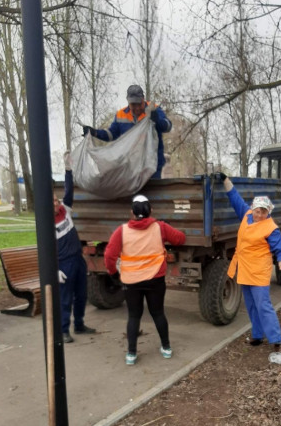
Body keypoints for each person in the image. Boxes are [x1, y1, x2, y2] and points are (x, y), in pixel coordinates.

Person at [104, 194, 186, 365]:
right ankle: (166, 348)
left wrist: (113, 274)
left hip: (131, 281)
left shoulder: (122, 231)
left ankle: (131, 354)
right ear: (151, 210)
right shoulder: (160, 227)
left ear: (132, 212)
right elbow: (180, 239)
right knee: (158, 313)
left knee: (134, 316)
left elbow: (109, 255)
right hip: (155, 279)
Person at [219, 172, 281, 356]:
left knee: (263, 305)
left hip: (259, 270)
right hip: (245, 268)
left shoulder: (270, 227)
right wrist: (226, 181)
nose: (259, 214)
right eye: (257, 210)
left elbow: (279, 248)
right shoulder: (246, 215)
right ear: (253, 208)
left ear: (268, 212)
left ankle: (277, 340)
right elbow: (235, 198)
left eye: (263, 212)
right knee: (250, 305)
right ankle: (257, 336)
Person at [82, 84, 172, 179]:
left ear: (143, 99)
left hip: (152, 165)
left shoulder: (154, 110)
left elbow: (168, 126)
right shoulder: (121, 115)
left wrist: (157, 121)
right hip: (130, 167)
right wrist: (95, 133)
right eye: (133, 104)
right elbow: (112, 134)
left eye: (139, 104)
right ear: (128, 101)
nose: (137, 108)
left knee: (152, 193)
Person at [54, 152, 96, 344]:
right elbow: (45, 251)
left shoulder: (65, 209)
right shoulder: (46, 224)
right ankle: (63, 330)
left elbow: (69, 191)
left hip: (77, 259)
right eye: (53, 201)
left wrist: (68, 170)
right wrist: (54, 269)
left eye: (56, 200)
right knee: (65, 299)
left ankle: (79, 325)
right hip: (64, 264)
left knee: (82, 294)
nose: (56, 203)